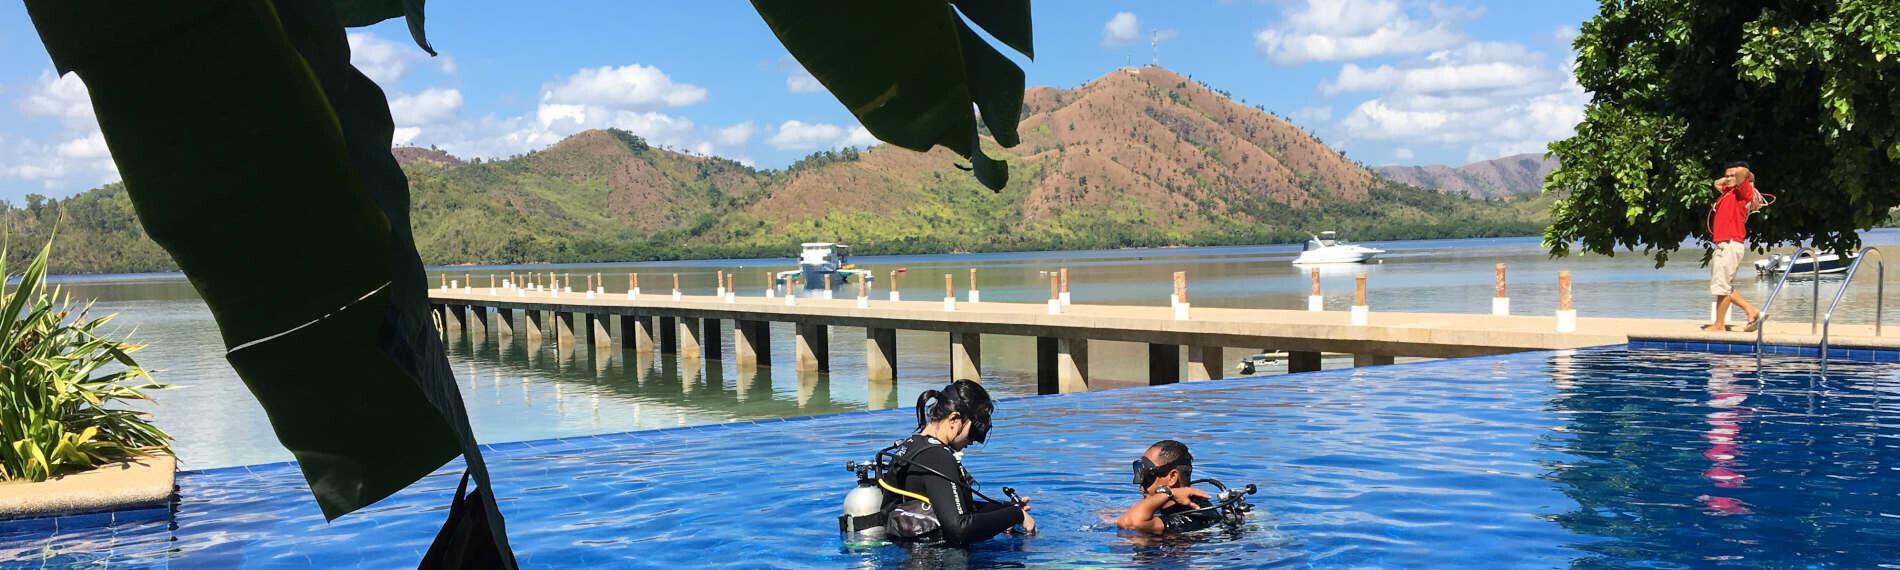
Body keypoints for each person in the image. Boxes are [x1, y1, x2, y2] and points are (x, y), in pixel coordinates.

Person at [879, 380, 1034, 545]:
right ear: (954, 419)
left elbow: (948, 506)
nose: (973, 440)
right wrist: (1016, 516)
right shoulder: (938, 457)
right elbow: (959, 529)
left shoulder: (914, 446)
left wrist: (1005, 512)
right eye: (973, 431)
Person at [1116, 440, 1223, 535]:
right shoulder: (1167, 505)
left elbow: (1128, 523)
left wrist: (1169, 492)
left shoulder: (1195, 515)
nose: (1141, 488)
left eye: (1148, 477)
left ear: (1172, 477)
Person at [1704, 161, 1763, 332]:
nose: (1729, 178)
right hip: (1725, 244)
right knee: (1723, 285)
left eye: (1732, 176)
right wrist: (1729, 178)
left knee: (1721, 287)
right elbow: (1717, 182)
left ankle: (1719, 324)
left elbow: (1744, 170)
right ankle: (1751, 311)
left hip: (1729, 243)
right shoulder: (1729, 192)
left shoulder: (1743, 191)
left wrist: (1743, 176)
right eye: (1727, 175)